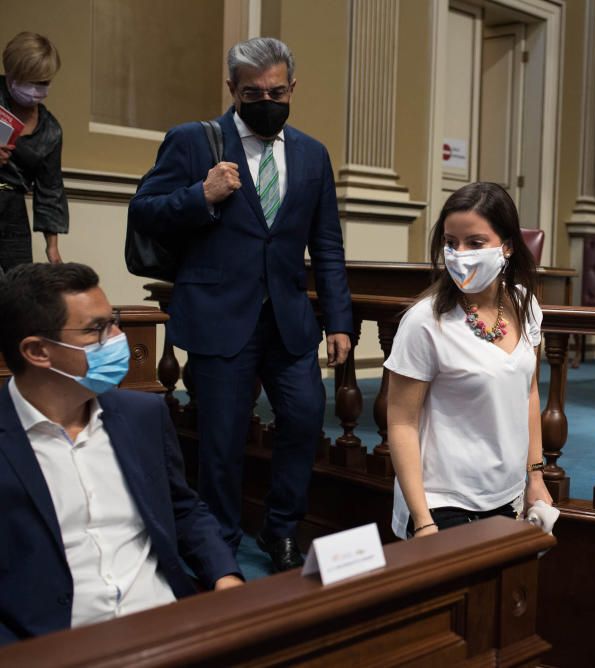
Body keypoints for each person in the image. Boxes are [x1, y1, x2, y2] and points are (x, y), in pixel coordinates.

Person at [128, 37, 353, 572]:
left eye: (277, 91)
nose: (266, 100)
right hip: (218, 317)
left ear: (292, 88)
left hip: (290, 321)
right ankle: (219, 539)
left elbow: (326, 244)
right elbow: (144, 211)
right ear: (232, 89)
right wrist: (199, 196)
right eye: (253, 92)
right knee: (221, 440)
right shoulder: (192, 141)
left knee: (302, 419)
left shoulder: (312, 153)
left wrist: (339, 321)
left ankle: (281, 530)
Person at [0, 263, 242, 645]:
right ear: (37, 351)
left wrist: (224, 575)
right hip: (58, 644)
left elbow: (182, 508)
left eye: (113, 321)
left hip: (167, 625)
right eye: (97, 329)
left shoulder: (141, 414)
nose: (118, 338)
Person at [385, 182, 552, 539]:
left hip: (508, 493)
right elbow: (401, 422)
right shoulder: (424, 321)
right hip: (442, 499)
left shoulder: (526, 304)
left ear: (506, 247)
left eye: (475, 243)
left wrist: (535, 476)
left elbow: (530, 393)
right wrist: (423, 520)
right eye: (450, 243)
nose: (459, 254)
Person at [0, 32, 68, 272]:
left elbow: (50, 189)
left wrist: (52, 247)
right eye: (30, 80)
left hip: (12, 211)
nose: (37, 89)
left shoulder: (50, 130)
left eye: (44, 82)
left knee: (17, 289)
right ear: (12, 74)